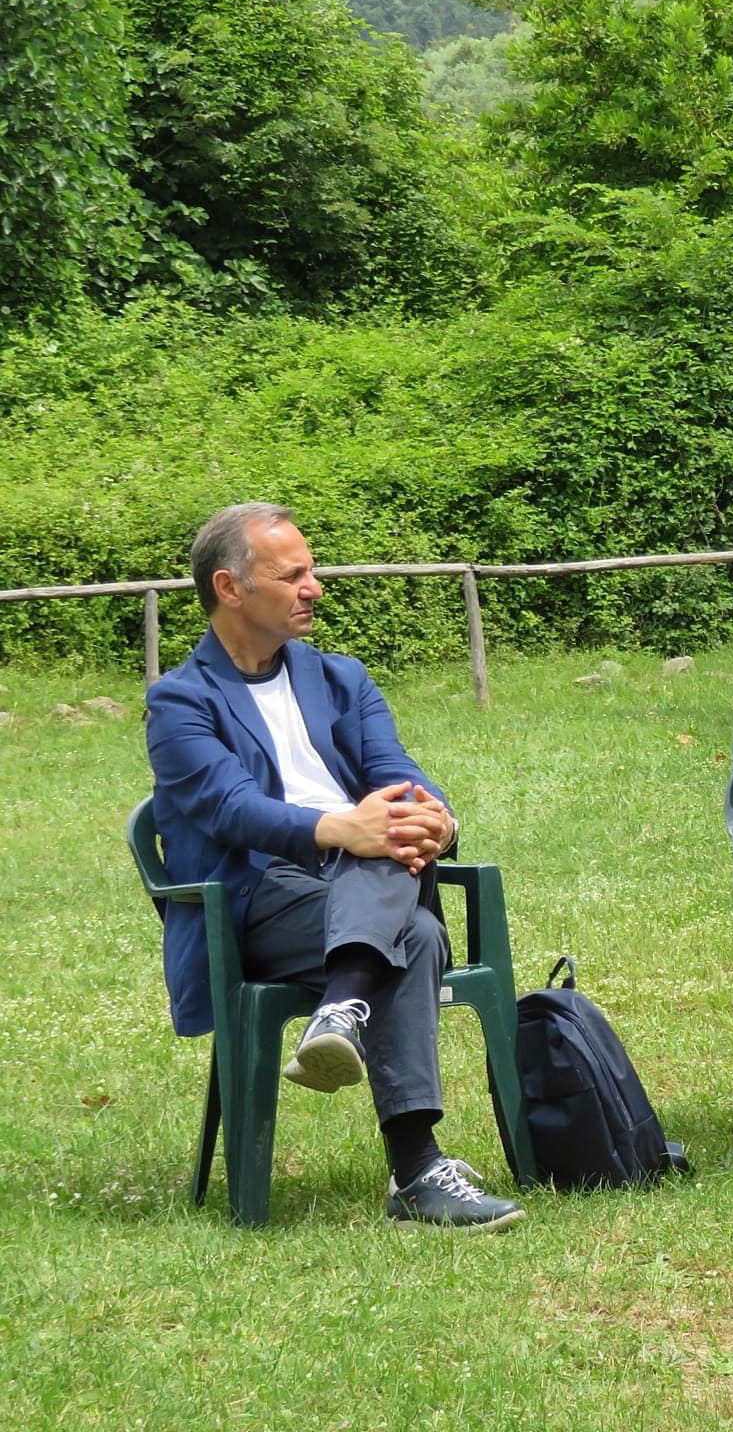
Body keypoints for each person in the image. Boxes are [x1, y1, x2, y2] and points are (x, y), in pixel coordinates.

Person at [146, 503, 524, 1230]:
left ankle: (342, 1012)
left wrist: (436, 820)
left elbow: (398, 773)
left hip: (362, 887)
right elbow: (231, 810)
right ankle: (415, 1170)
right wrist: (343, 829)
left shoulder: (342, 679)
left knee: (400, 893)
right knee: (409, 922)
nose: (315, 586)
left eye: (312, 570)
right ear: (230, 588)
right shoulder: (179, 703)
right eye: (293, 576)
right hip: (259, 901)